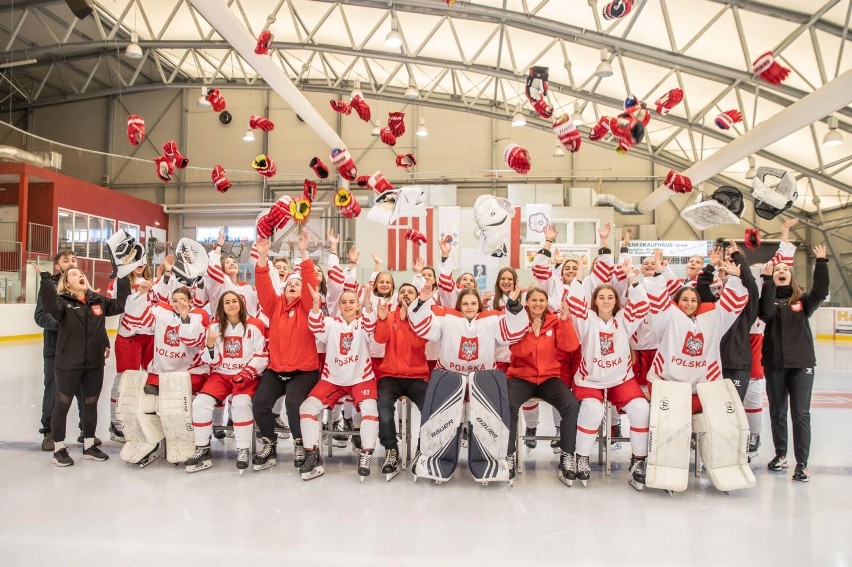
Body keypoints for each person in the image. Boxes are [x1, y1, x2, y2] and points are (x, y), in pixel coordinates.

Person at [565, 256, 652, 489]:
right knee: (592, 410)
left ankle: (639, 460)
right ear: (594, 300)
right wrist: (581, 272)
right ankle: (581, 457)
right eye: (601, 297)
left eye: (610, 297)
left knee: (641, 409)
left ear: (616, 301)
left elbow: (643, 304)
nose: (605, 300)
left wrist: (632, 277)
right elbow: (573, 301)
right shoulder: (587, 320)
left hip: (620, 378)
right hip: (589, 379)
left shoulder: (624, 319)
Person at [35, 265, 128, 466]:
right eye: (74, 274)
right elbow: (49, 305)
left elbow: (121, 304)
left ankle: (89, 446)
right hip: (68, 364)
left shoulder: (98, 300)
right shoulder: (62, 303)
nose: (80, 275)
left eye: (81, 273)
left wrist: (122, 277)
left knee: (90, 404)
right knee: (63, 405)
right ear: (67, 283)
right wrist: (44, 279)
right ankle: (59, 449)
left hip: (94, 363)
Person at [644, 250, 748, 414]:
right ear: (677, 301)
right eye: (684, 299)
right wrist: (658, 274)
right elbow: (657, 300)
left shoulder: (712, 318)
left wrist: (735, 278)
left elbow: (732, 305)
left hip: (704, 386)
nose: (689, 304)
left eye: (693, 300)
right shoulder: (668, 317)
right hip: (667, 384)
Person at [251, 230, 320, 471]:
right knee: (259, 402)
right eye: (289, 283)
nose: (293, 285)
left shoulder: (307, 307)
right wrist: (262, 257)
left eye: (297, 284)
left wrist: (303, 253)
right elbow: (263, 285)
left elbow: (311, 282)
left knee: (293, 404)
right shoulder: (274, 305)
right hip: (277, 369)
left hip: (304, 371)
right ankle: (269, 445)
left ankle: (300, 444)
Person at [759, 244, 829, 482]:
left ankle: (802, 463)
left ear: (791, 275)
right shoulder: (768, 298)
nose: (781, 271)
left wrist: (821, 262)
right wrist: (767, 282)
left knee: (800, 413)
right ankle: (781, 455)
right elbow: (766, 314)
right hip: (774, 364)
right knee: (777, 411)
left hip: (801, 365)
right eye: (777, 269)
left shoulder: (803, 302)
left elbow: (820, 291)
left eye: (785, 269)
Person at [298, 287, 377, 481]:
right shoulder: (331, 323)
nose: (348, 305)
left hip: (361, 377)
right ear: (339, 306)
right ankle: (312, 454)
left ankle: (366, 454)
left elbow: (371, 325)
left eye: (352, 302)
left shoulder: (363, 323)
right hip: (332, 379)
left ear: (357, 305)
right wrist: (316, 306)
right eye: (344, 302)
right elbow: (315, 326)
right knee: (307, 408)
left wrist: (368, 304)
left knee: (370, 411)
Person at [186, 292, 268, 472]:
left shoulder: (255, 325)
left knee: (240, 404)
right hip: (220, 375)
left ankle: (243, 449)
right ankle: (202, 448)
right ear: (221, 306)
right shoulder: (214, 326)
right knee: (200, 403)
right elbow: (210, 361)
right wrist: (209, 345)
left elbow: (262, 355)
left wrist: (247, 373)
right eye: (227, 302)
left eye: (234, 301)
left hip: (245, 376)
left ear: (241, 303)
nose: (231, 305)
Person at [33, 251, 107, 451]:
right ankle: (49, 433)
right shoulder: (50, 287)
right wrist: (66, 325)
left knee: (86, 391)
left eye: (74, 260)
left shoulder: (84, 289)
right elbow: (40, 316)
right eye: (66, 260)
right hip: (56, 350)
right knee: (55, 392)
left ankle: (86, 430)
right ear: (58, 266)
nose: (71, 263)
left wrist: (104, 341)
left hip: (83, 352)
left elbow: (95, 318)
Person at [506, 287, 581, 485]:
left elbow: (570, 346)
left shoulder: (555, 322)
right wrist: (532, 335)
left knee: (571, 405)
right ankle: (508, 455)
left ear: (546, 302)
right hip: (522, 377)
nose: (538, 304)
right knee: (508, 405)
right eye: (534, 300)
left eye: (542, 300)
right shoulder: (518, 321)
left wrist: (565, 322)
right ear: (527, 302)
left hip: (548, 378)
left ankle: (566, 455)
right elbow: (517, 351)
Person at [374, 283, 429, 479]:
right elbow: (380, 339)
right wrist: (381, 320)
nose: (405, 295)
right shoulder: (388, 315)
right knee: (383, 407)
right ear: (398, 297)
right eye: (402, 292)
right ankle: (391, 450)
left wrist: (409, 321)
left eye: (410, 292)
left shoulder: (422, 319)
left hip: (416, 376)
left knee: (430, 409)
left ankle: (423, 450)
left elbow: (417, 343)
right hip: (391, 375)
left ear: (416, 297)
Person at [107, 263, 156, 442]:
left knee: (154, 377)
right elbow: (118, 306)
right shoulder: (119, 283)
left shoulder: (154, 282)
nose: (140, 265)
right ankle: (116, 422)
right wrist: (139, 293)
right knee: (124, 379)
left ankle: (151, 419)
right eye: (135, 261)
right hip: (129, 336)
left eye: (142, 260)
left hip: (150, 335)